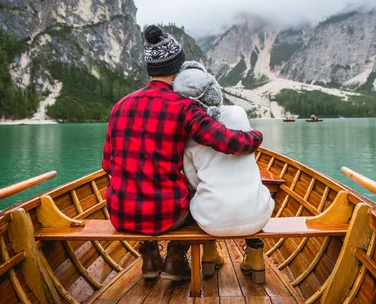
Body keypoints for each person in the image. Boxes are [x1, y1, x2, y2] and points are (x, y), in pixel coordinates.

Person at [102, 25, 263, 281]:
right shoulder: (184, 108)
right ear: (178, 68)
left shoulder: (120, 106)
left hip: (120, 214)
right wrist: (255, 137)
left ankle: (150, 258)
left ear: (151, 69)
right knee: (195, 195)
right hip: (167, 216)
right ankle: (175, 261)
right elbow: (225, 141)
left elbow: (108, 166)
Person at [173, 61, 274, 284]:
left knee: (195, 196)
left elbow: (192, 182)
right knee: (256, 189)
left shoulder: (190, 131)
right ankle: (256, 258)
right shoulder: (238, 113)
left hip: (211, 221)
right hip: (257, 217)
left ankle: (209, 255)